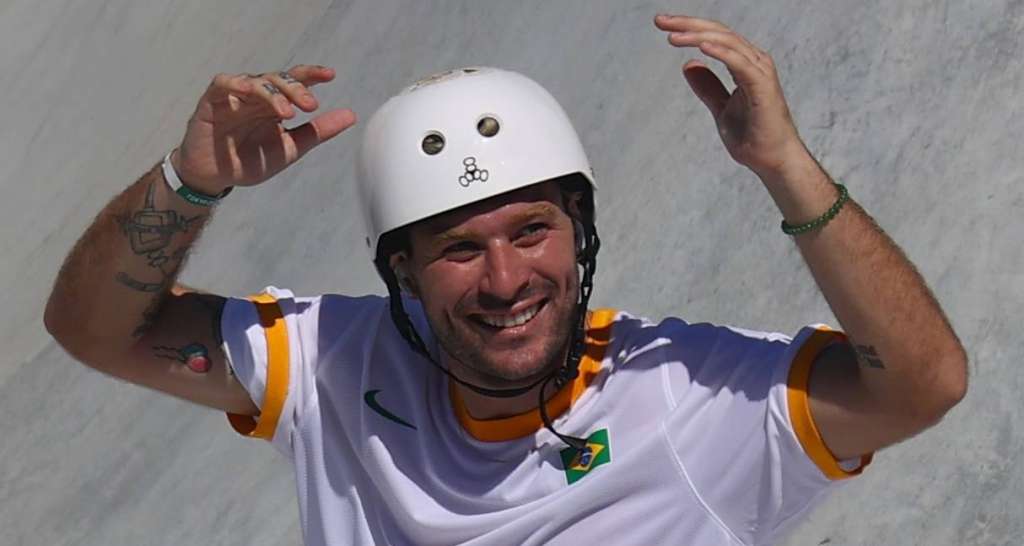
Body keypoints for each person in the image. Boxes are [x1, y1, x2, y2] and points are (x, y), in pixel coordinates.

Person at [45, 14, 967, 546]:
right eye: (457, 247)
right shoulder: (330, 367)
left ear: (581, 232)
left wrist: (787, 170)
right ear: (399, 266)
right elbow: (98, 329)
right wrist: (187, 180)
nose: (505, 278)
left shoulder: (687, 402)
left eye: (533, 230)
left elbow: (923, 385)